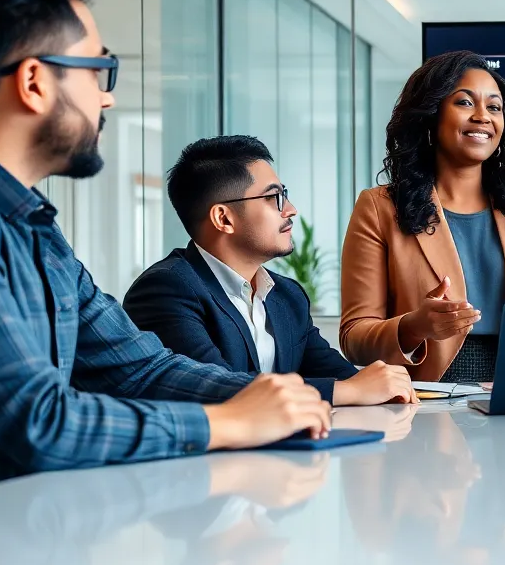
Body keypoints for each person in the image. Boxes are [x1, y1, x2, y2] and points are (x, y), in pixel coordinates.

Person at [0, 0, 328, 482]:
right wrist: (225, 423)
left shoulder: (34, 230)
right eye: (98, 71)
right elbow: (35, 421)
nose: (107, 98)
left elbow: (138, 366)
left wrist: (270, 397)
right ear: (34, 82)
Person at [123, 136, 416, 407]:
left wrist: (383, 381)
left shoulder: (287, 295)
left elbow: (342, 375)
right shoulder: (166, 289)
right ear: (223, 218)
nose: (290, 209)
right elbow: (215, 389)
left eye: (284, 195)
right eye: (273, 197)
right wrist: (349, 391)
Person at [339, 50, 505, 383]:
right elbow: (354, 339)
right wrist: (415, 326)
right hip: (424, 405)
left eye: (494, 107)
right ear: (431, 114)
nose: (483, 116)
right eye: (465, 103)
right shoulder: (379, 208)